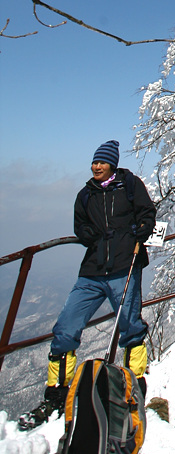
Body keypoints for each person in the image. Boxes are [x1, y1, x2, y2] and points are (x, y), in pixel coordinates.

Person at [19, 140, 156, 431]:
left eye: (101, 163)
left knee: (131, 327)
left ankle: (134, 385)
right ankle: (57, 392)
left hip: (124, 266)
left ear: (112, 165)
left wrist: (141, 230)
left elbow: (147, 213)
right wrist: (87, 234)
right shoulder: (86, 194)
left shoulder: (130, 186)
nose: (96, 167)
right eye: (94, 162)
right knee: (66, 327)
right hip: (92, 271)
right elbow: (78, 226)